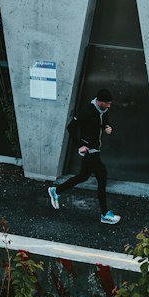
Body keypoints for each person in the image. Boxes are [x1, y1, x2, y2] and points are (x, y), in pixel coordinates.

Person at [48, 90, 119, 225]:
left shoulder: (103, 110)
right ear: (99, 101)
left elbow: (103, 122)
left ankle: (56, 191)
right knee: (102, 176)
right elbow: (71, 127)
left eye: (110, 103)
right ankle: (105, 214)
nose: (109, 106)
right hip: (89, 150)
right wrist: (79, 145)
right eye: (107, 103)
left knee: (83, 176)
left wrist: (106, 127)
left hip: (95, 148)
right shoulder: (87, 111)